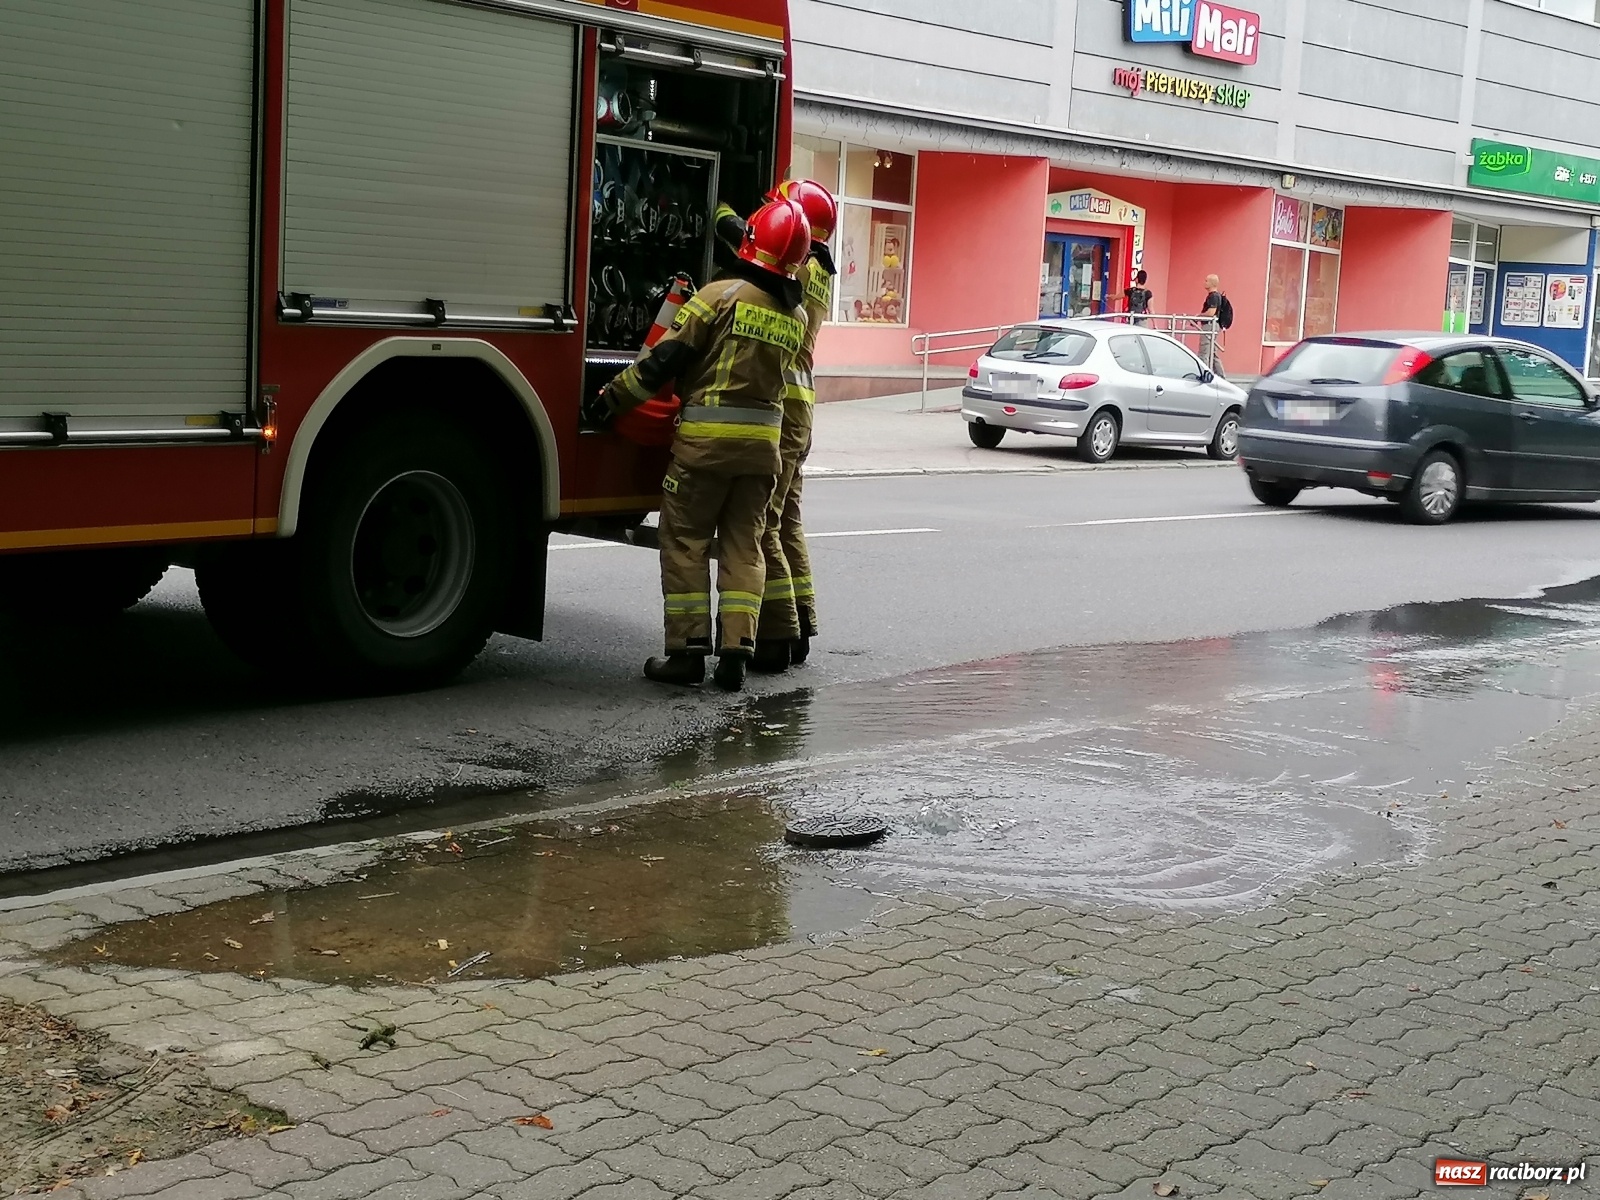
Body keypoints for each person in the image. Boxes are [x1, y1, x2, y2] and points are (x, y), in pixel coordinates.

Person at [581, 198, 812, 691]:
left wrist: (611, 400)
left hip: (704, 447)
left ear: (752, 242)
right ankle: (735, 652)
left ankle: (686, 655)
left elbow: (663, 361)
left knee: (684, 541)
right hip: (762, 455)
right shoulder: (794, 318)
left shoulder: (717, 295)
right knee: (744, 547)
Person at [750, 179, 838, 673]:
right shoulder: (819, 270)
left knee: (763, 521)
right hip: (802, 405)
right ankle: (801, 620)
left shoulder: (795, 265)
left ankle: (779, 632)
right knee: (787, 520)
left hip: (783, 403)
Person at [1199, 274, 1232, 376]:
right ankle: (1221, 376)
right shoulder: (1216, 296)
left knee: (1204, 352)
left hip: (1209, 325)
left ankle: (1203, 374)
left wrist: (1199, 316)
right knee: (1212, 353)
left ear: (1212, 283)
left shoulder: (1213, 296)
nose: (1204, 282)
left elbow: (1211, 313)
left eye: (1206, 281)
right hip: (1213, 325)